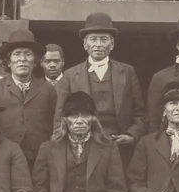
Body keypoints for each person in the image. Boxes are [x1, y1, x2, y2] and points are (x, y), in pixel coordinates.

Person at [53, 13, 145, 171]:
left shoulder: (127, 72)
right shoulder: (70, 75)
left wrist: (131, 136)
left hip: (119, 149)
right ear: (85, 44)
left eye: (104, 39)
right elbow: (59, 117)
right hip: (82, 149)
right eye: (93, 39)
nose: (98, 44)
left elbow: (140, 114)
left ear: (112, 44)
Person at [0, 29, 56, 171]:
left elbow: (55, 123)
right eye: (17, 54)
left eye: (28, 54)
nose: (22, 59)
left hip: (39, 159)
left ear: (35, 62)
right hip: (5, 158)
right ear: (8, 62)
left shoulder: (48, 89)